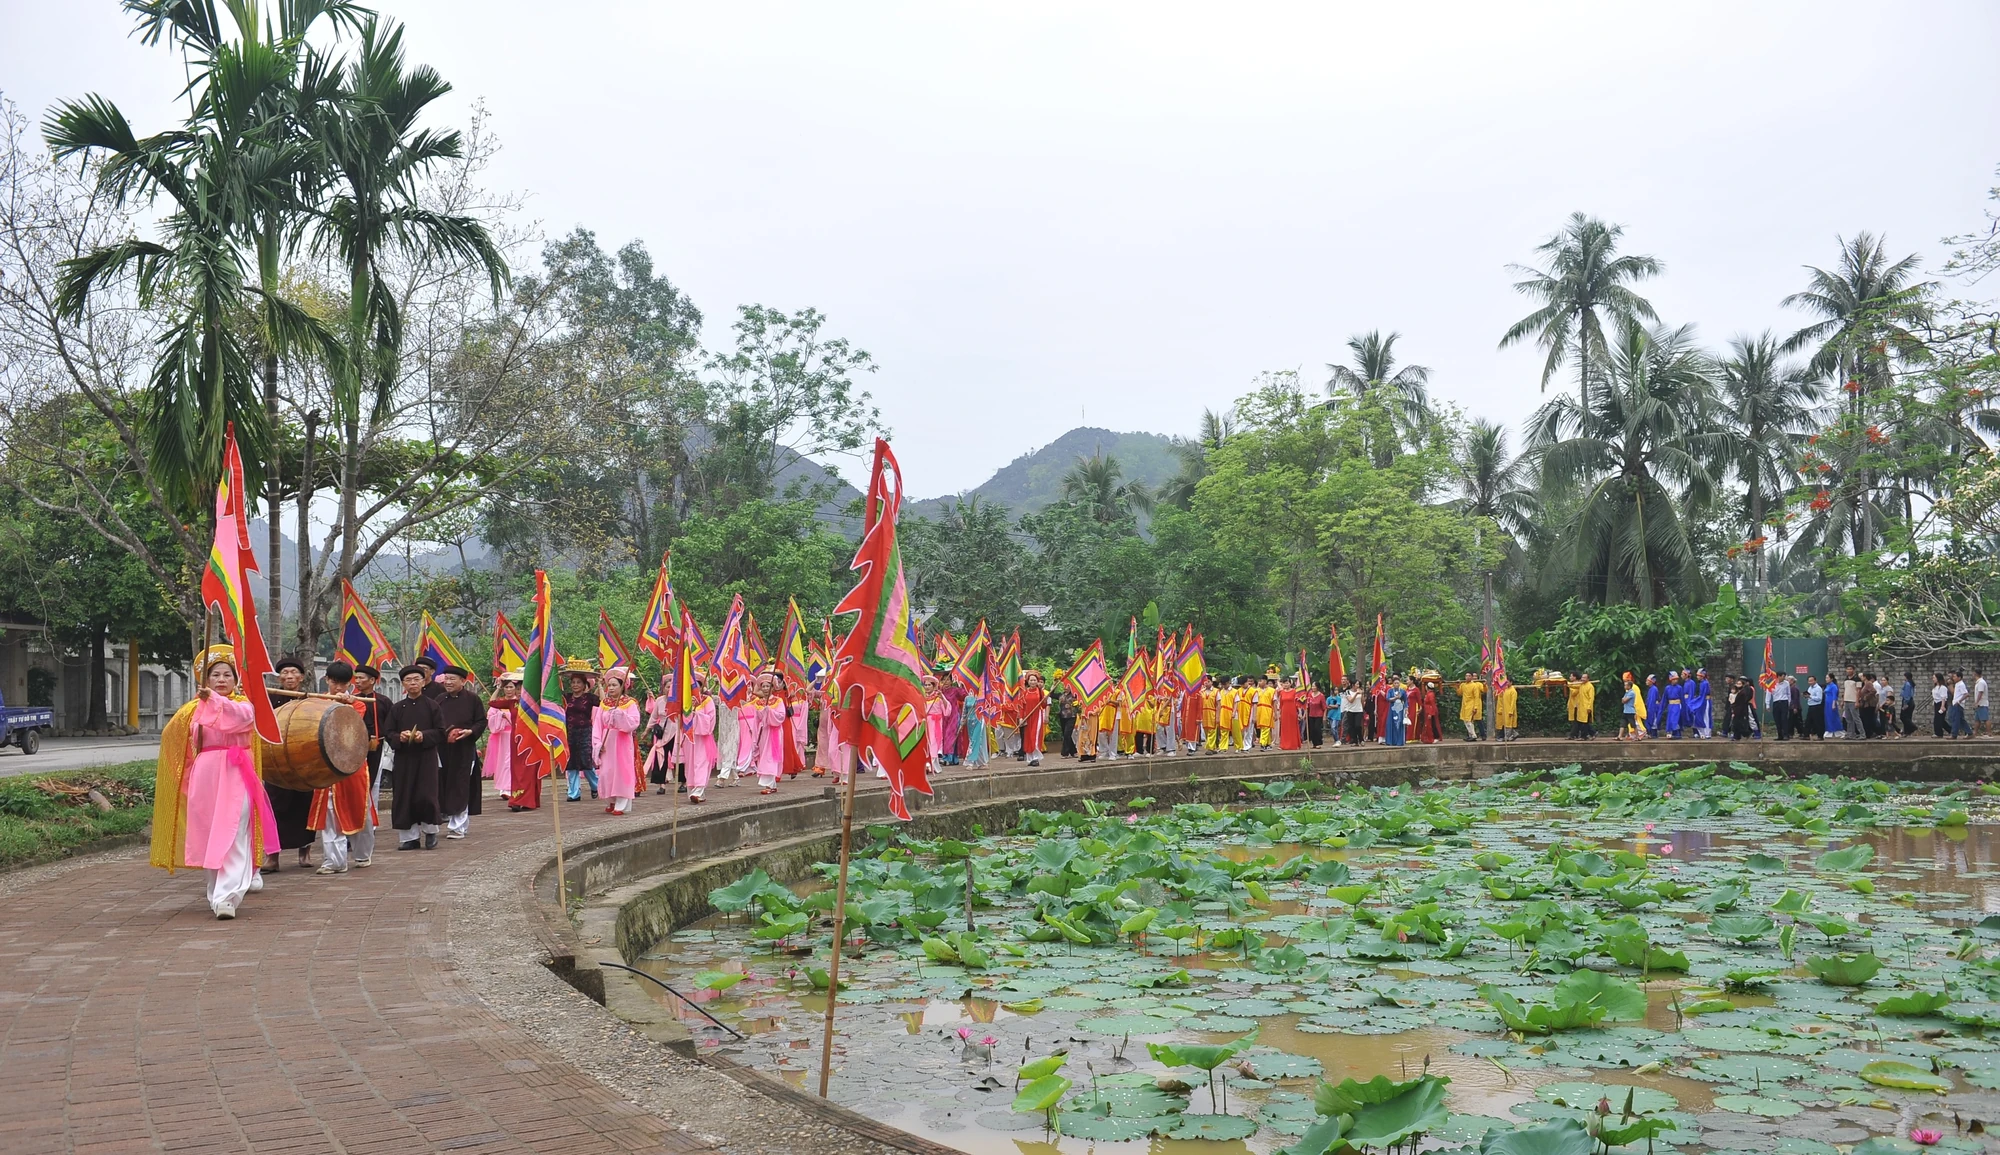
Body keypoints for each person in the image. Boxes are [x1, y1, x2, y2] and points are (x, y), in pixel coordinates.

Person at [152, 646, 281, 919]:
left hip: (236, 772)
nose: (221, 680)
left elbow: (236, 719)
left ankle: (227, 897)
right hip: (206, 773)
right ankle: (215, 892)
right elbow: (172, 736)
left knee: (234, 831)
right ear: (205, 679)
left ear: (236, 680)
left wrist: (212, 702)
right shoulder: (192, 709)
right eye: (215, 675)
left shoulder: (245, 706)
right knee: (209, 833)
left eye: (227, 675)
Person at [308, 661, 376, 875]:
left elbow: (349, 728)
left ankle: (363, 854)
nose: (339, 688)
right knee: (329, 811)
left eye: (344, 684)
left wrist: (346, 705)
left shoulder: (358, 704)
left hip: (351, 764)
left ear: (350, 683)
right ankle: (334, 861)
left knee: (359, 810)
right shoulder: (317, 702)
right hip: (326, 766)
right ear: (327, 680)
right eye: (335, 683)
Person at [264, 657, 316, 871]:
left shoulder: (310, 699)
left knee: (303, 807)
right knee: (274, 808)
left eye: (293, 672)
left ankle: (305, 852)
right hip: (275, 763)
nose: (289, 676)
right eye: (284, 673)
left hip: (303, 763)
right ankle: (272, 856)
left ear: (301, 677)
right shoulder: (270, 698)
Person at [387, 665, 445, 850]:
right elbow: (388, 733)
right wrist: (399, 737)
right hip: (404, 758)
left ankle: (430, 832)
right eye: (409, 680)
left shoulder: (432, 705)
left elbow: (440, 732)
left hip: (426, 756)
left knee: (426, 795)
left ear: (423, 681)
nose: (413, 683)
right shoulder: (397, 708)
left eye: (416, 679)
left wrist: (424, 736)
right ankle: (409, 837)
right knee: (404, 795)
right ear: (403, 684)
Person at [431, 665, 486, 840]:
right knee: (443, 783)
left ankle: (458, 826)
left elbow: (481, 721)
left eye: (452, 679)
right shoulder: (439, 700)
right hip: (443, 749)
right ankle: (445, 817)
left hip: (464, 749)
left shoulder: (473, 699)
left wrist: (470, 732)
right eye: (446, 678)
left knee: (461, 784)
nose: (448, 682)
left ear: (463, 681)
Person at [593, 667, 642, 813]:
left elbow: (634, 723)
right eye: (610, 684)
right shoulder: (604, 703)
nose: (611, 688)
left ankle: (622, 803)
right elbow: (597, 724)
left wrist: (620, 715)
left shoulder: (630, 703)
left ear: (623, 686)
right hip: (606, 742)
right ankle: (611, 800)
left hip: (622, 742)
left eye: (615, 685)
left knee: (622, 771)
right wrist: (597, 743)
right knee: (607, 772)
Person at [682, 672, 719, 802]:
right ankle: (696, 792)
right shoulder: (685, 701)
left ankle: (698, 790)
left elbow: (711, 720)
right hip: (689, 738)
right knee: (690, 765)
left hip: (703, 739)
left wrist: (696, 714)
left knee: (701, 763)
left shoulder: (707, 700)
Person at [750, 672, 790, 794]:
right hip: (763, 732)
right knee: (764, 756)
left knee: (771, 757)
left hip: (774, 732)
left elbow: (781, 716)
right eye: (764, 686)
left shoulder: (778, 701)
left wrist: (769, 712)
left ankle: (768, 785)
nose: (766, 689)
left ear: (772, 688)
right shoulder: (758, 702)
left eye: (768, 686)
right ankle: (771, 785)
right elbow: (756, 719)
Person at [1017, 671, 1049, 766]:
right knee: (1028, 738)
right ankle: (1030, 759)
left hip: (1037, 716)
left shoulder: (1040, 692)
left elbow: (1043, 705)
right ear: (1028, 681)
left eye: (1034, 680)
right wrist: (1021, 718)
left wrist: (1044, 700)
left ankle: (1036, 758)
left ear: (1037, 681)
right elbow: (1022, 706)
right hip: (1028, 717)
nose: (1033, 682)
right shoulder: (1025, 692)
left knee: (1034, 736)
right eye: (1031, 680)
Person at [1457, 673, 1485, 741]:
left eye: (1469, 676)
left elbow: (1476, 697)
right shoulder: (1463, 685)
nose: (1467, 677)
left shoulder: (1474, 685)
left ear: (1472, 677)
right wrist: (1457, 686)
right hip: (1464, 705)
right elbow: (1459, 693)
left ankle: (1473, 735)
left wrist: (1475, 707)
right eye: (1466, 676)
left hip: (1471, 705)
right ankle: (1471, 735)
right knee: (1466, 721)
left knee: (1468, 721)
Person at [1567, 674, 1595, 740]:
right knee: (1581, 722)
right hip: (1580, 707)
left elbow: (1591, 698)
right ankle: (1591, 733)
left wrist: (1589, 707)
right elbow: (1573, 686)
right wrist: (1567, 683)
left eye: (1584, 678)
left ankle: (1584, 736)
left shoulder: (1590, 686)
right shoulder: (1581, 685)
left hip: (1586, 706)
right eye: (1582, 677)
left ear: (1588, 679)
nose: (1583, 679)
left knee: (1585, 722)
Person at [1276, 678, 1302, 751]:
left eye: (1287, 683)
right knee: (1284, 728)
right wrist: (1280, 713)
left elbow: (1297, 702)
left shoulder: (1294, 691)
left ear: (1290, 684)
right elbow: (1281, 704)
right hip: (1284, 712)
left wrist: (1299, 712)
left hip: (1292, 711)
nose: (1286, 684)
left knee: (1293, 727)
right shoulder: (1281, 692)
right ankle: (1283, 745)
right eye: (1284, 683)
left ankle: (1293, 744)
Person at [1687, 669, 1712, 739]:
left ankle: (1707, 733)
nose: (1697, 677)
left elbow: (1703, 695)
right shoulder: (1702, 683)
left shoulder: (1705, 683)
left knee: (1706, 716)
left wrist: (1696, 702)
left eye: (1698, 675)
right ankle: (1704, 732)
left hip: (1705, 701)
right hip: (1703, 700)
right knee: (1703, 716)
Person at [1383, 680, 1407, 746]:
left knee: (1399, 724)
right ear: (1393, 684)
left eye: (1397, 683)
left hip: (1400, 710)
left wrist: (1406, 708)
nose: (1396, 684)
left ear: (1400, 684)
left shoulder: (1403, 691)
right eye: (1395, 683)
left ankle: (1399, 741)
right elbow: (1388, 698)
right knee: (1391, 724)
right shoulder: (1390, 691)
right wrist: (1395, 698)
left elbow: (1405, 700)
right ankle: (1390, 741)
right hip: (1392, 709)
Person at [1951, 671, 1973, 739]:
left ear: (1959, 677)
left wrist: (1959, 701)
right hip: (1956, 703)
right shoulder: (1957, 684)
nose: (1953, 678)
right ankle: (1969, 732)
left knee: (1956, 720)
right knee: (1960, 720)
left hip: (1958, 704)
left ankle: (1954, 734)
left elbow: (1966, 694)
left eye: (1954, 676)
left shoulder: (1961, 684)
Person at [1495, 677, 1518, 742]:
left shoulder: (1513, 691)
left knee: (1509, 724)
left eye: (1507, 682)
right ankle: (1512, 735)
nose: (1506, 683)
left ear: (1511, 682)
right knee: (1503, 723)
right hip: (1503, 710)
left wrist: (1511, 711)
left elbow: (1513, 702)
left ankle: (1509, 736)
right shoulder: (1504, 690)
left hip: (1509, 710)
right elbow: (1500, 700)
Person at [1803, 675, 1825, 740]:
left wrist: (1810, 697)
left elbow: (1819, 698)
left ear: (1815, 681)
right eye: (1809, 681)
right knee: (1808, 722)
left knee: (1818, 722)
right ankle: (1806, 735)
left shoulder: (1818, 688)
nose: (1810, 682)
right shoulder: (1809, 688)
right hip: (1811, 706)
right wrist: (1806, 696)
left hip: (1816, 706)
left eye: (1812, 681)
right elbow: (1809, 696)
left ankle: (1820, 736)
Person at [1619, 673, 1640, 741]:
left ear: (1629, 686)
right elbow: (1622, 700)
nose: (1624, 686)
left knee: (1633, 725)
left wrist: (1624, 700)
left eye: (1625, 685)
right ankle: (1619, 736)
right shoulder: (1627, 692)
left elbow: (1624, 700)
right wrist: (1623, 700)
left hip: (1630, 711)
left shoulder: (1632, 693)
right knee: (1622, 724)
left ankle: (1638, 737)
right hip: (1625, 711)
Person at [1900, 671, 1917, 738]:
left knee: (1903, 717)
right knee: (1908, 717)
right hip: (1911, 701)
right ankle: (1907, 731)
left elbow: (1907, 695)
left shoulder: (1907, 684)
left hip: (1907, 701)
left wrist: (1905, 704)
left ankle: (1912, 727)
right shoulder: (1911, 683)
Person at [1975, 669, 1990, 737]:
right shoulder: (1979, 682)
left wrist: (1977, 702)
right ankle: (1975, 733)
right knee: (1977, 719)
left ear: (1975, 674)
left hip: (1982, 704)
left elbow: (1980, 693)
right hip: (1979, 704)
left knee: (1985, 719)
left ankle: (1989, 733)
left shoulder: (1981, 682)